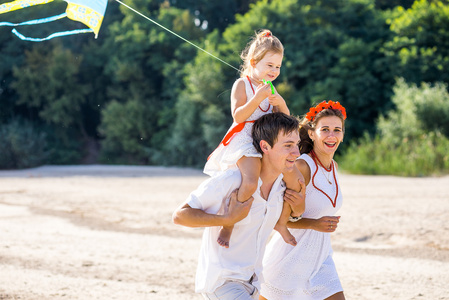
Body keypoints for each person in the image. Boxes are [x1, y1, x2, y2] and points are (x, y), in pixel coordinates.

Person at [173, 112, 305, 300]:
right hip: (223, 283)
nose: (296, 153)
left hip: (254, 285)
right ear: (265, 146)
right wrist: (226, 219)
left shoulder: (280, 188)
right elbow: (180, 215)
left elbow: (295, 215)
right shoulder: (232, 180)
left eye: (297, 145)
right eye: (288, 146)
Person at [204, 29, 303, 248]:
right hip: (245, 141)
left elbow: (284, 119)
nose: (275, 71)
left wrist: (280, 102)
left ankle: (282, 221)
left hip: (266, 143)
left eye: (278, 66)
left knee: (296, 179)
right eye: (270, 65)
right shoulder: (242, 85)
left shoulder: (271, 88)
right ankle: (229, 223)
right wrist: (258, 98)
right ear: (253, 61)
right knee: (250, 181)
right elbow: (238, 116)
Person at [260, 101, 347, 300]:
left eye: (337, 130)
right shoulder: (302, 167)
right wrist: (314, 224)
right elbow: (277, 218)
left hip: (320, 257)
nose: (331, 135)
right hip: (290, 256)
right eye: (324, 129)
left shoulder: (332, 166)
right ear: (311, 133)